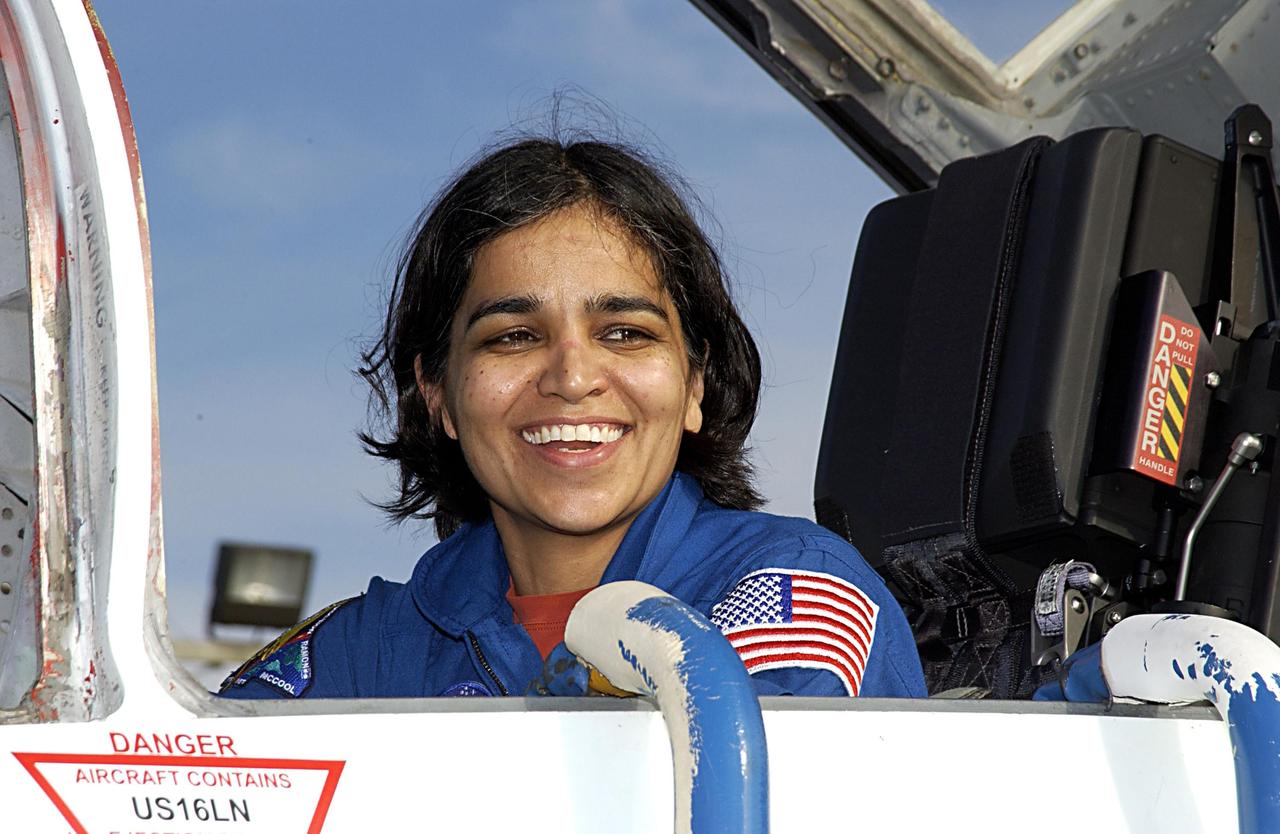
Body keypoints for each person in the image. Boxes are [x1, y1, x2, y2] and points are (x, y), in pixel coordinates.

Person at [219, 135, 925, 700]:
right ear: (437, 393)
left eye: (624, 332)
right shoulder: (369, 652)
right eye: (512, 337)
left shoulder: (795, 592)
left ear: (694, 386)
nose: (573, 377)